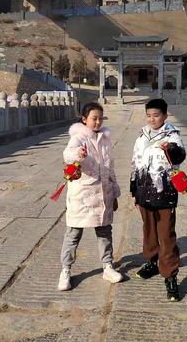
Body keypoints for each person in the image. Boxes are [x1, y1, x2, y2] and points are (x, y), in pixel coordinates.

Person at [58, 102, 123, 291]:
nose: (97, 122)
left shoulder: (105, 139)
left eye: (100, 118)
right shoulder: (78, 138)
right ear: (84, 119)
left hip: (103, 193)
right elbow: (68, 154)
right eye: (94, 118)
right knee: (73, 234)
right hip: (82, 196)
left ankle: (107, 266)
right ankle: (66, 270)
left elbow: (110, 167)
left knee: (104, 232)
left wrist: (114, 192)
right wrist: (77, 154)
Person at [130, 98, 186, 302]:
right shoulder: (141, 136)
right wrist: (133, 188)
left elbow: (180, 156)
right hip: (144, 192)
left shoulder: (172, 136)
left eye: (156, 115)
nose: (152, 119)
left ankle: (170, 276)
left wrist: (170, 149)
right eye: (148, 115)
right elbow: (135, 162)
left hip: (165, 193)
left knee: (166, 235)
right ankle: (153, 262)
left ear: (165, 116)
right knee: (149, 231)